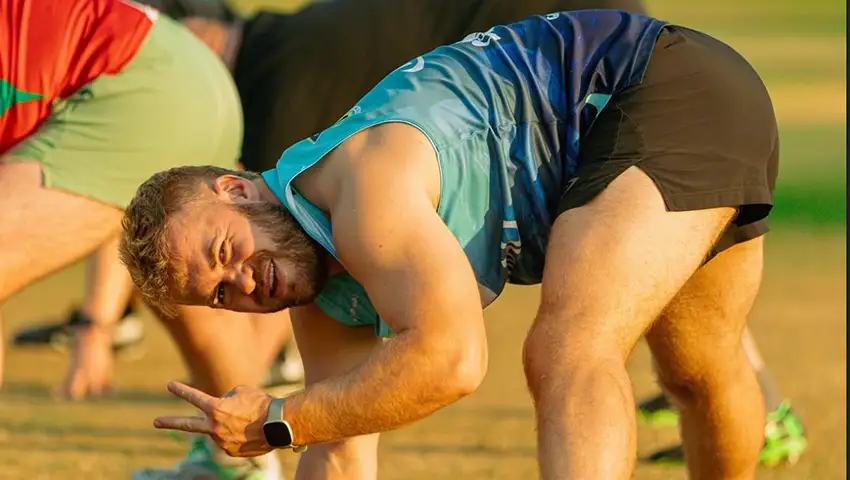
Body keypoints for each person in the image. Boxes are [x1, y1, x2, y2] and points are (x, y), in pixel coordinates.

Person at [120, 10, 780, 479]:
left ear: (237, 190)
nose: (241, 282)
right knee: (698, 372)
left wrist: (277, 419)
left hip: (657, 85)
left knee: (568, 347)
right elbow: (338, 449)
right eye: (220, 296)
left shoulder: (360, 184)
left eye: (222, 253)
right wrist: (297, 420)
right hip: (699, 103)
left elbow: (454, 360)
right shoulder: (316, 280)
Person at [0, 0, 286, 477]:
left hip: (136, 80)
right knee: (190, 291)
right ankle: (239, 465)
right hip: (185, 70)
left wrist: (94, 325)